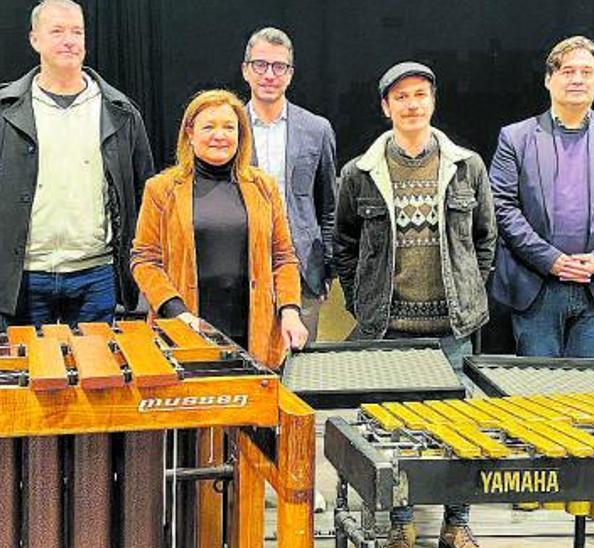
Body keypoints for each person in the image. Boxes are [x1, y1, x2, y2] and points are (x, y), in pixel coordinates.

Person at [333, 61, 496, 548]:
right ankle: (401, 522)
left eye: (420, 94)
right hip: (389, 328)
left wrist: (467, 290)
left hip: (451, 328)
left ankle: (456, 522)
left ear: (432, 101)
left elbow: (485, 240)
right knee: (393, 429)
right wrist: (364, 298)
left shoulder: (466, 165)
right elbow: (344, 243)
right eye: (401, 96)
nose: (412, 104)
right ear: (386, 108)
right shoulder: (359, 173)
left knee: (458, 428)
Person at [0, 0, 155, 327]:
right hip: (25, 275)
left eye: (77, 31)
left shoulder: (120, 111)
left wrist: (144, 267)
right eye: (57, 31)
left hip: (97, 272)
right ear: (35, 40)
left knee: (96, 374)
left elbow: (147, 194)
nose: (69, 40)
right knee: (30, 373)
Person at [490, 36, 594, 357]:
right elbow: (502, 206)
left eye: (586, 72)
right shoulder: (515, 137)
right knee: (535, 395)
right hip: (536, 286)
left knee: (588, 396)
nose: (577, 79)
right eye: (567, 71)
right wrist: (551, 260)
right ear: (549, 79)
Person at [131, 89, 308, 366]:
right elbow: (145, 260)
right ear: (189, 132)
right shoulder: (161, 189)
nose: (220, 135)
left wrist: (290, 310)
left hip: (255, 333)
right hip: (184, 330)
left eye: (229, 127)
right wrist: (177, 312)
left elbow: (283, 257)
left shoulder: (264, 187)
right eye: (209, 126)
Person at [240, 27, 338, 342]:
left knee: (301, 370)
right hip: (241, 267)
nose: (270, 74)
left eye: (279, 66)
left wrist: (326, 266)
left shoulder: (317, 130)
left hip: (303, 268)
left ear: (290, 74)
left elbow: (329, 207)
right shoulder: (228, 129)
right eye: (260, 64)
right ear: (246, 70)